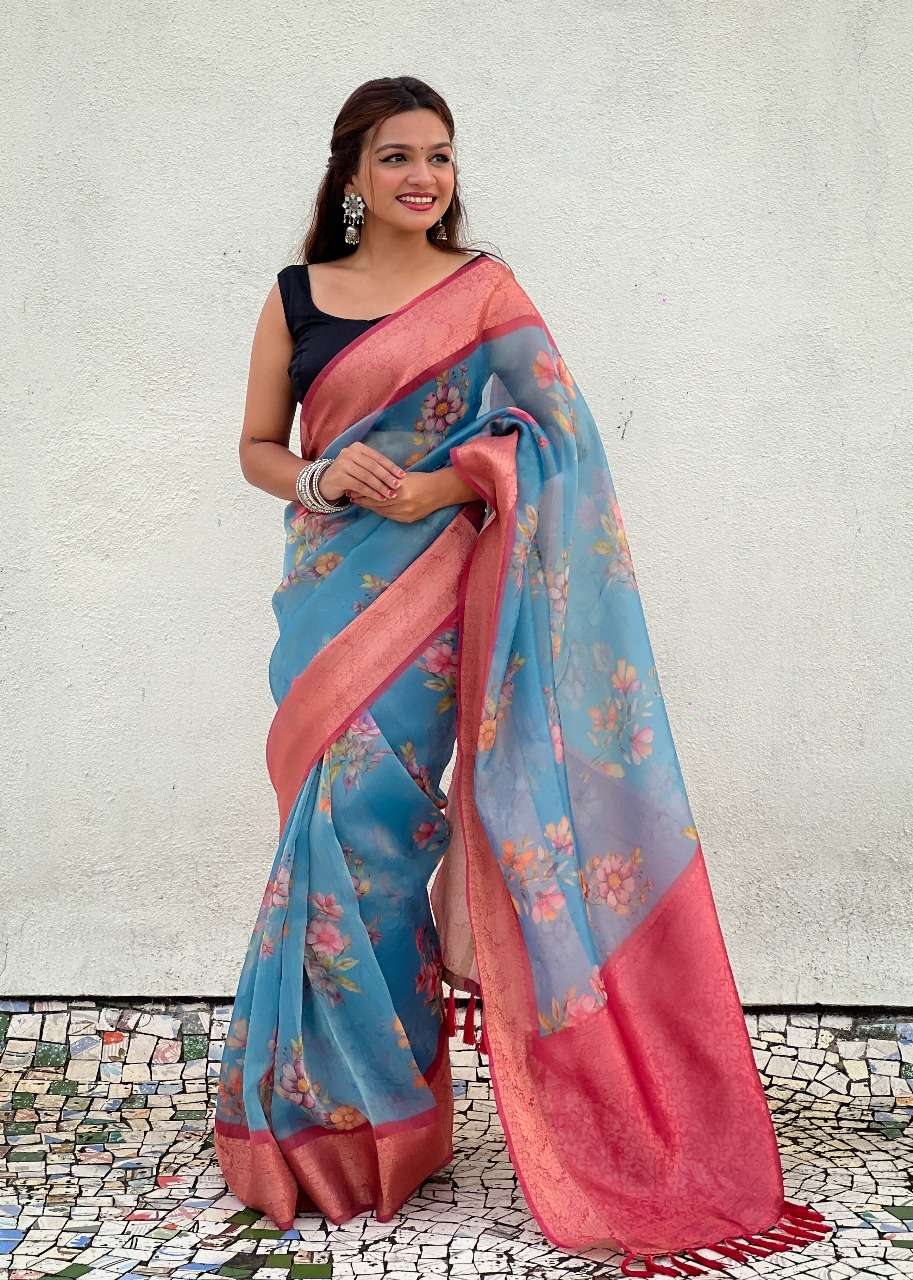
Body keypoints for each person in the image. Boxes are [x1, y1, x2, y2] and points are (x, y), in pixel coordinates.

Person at [214, 75, 830, 1275]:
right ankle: (313, 1120)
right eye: (398, 156)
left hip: (428, 611)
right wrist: (317, 478)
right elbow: (254, 448)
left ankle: (392, 1121)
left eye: (439, 156)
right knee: (318, 836)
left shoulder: (483, 292)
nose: (422, 176)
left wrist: (443, 485)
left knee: (380, 839)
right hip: (324, 600)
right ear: (352, 175)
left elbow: (560, 438)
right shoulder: (297, 297)